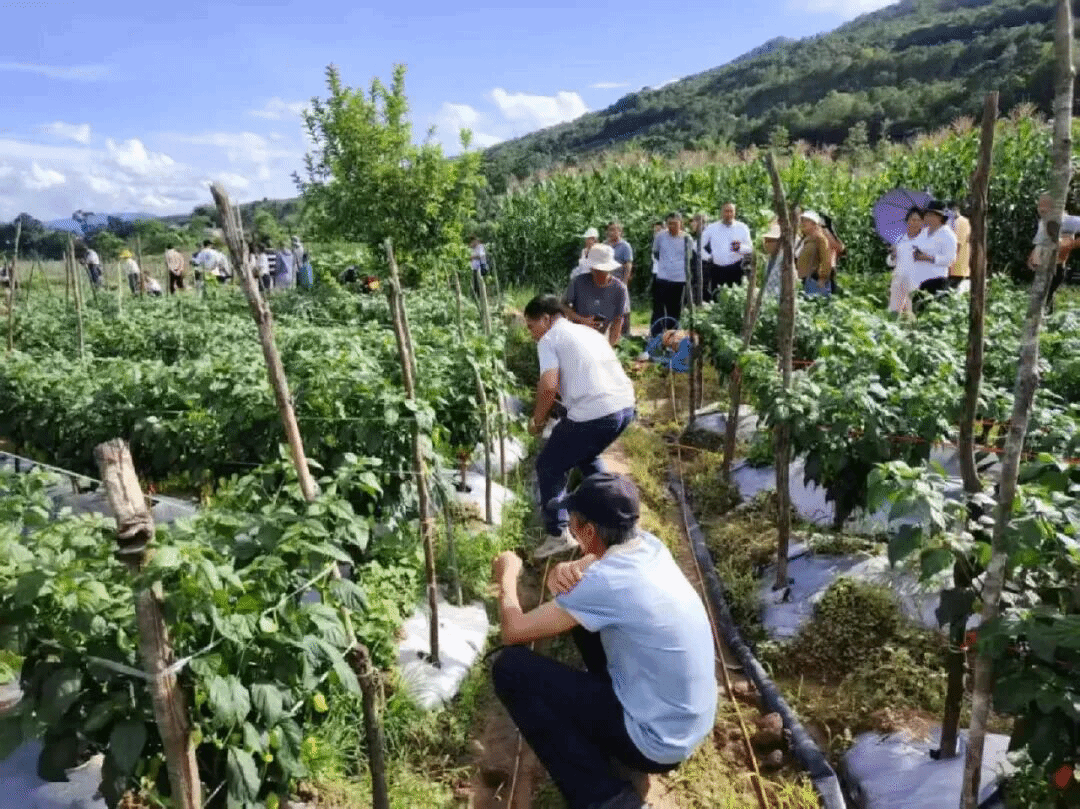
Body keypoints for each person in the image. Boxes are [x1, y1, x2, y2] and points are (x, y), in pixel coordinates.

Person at [490, 472, 717, 809]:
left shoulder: (607, 583)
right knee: (580, 611)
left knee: (510, 669)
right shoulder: (649, 546)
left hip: (656, 742)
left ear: (590, 531)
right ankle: (604, 709)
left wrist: (507, 576)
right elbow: (587, 570)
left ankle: (605, 798)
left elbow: (514, 631)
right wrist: (561, 572)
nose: (570, 526)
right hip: (682, 724)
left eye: (573, 520)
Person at [523, 295, 636, 558]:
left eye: (531, 326)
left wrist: (537, 422)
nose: (531, 334)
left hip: (596, 412)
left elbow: (548, 386)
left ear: (546, 319)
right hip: (625, 407)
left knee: (549, 465)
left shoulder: (550, 339)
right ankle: (615, 520)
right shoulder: (588, 332)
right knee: (587, 456)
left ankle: (558, 534)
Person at [564, 244, 630, 348]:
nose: (598, 273)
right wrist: (583, 320)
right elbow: (563, 307)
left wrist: (610, 347)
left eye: (602, 270)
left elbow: (618, 321)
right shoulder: (578, 282)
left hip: (600, 337)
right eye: (596, 269)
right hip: (576, 335)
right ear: (591, 268)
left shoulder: (619, 289)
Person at [1027, 191, 1080, 314]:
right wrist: (1032, 258)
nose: (1040, 208)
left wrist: (1070, 245)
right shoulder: (1044, 221)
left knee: (1044, 302)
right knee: (1041, 302)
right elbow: (1039, 243)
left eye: (1045, 204)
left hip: (1055, 267)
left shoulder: (1067, 221)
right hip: (1040, 268)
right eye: (1039, 204)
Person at [909, 200, 957, 312]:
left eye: (930, 215)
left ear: (939, 217)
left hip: (936, 280)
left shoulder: (948, 235)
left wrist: (928, 258)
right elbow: (915, 245)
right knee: (917, 311)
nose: (927, 217)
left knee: (929, 311)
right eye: (926, 214)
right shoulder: (923, 232)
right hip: (918, 280)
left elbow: (950, 259)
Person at [650, 213, 691, 336]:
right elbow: (656, 252)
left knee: (675, 310)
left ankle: (672, 337)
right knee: (659, 309)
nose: (672, 226)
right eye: (669, 224)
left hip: (679, 279)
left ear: (681, 223)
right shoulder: (660, 236)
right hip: (663, 277)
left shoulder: (687, 238)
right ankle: (656, 336)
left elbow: (690, 257)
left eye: (675, 223)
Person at [701, 202, 752, 297]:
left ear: (735, 212)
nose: (729, 214)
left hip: (736, 268)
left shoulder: (742, 227)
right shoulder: (712, 228)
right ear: (721, 213)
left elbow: (750, 248)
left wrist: (740, 248)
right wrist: (708, 257)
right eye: (726, 211)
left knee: (735, 297)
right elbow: (698, 246)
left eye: (731, 211)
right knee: (717, 297)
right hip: (717, 269)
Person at [886, 207, 925, 315]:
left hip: (916, 282)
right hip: (899, 279)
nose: (916, 223)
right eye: (913, 220)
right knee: (894, 312)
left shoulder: (925, 241)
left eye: (919, 220)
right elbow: (890, 263)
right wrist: (893, 255)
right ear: (907, 221)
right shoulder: (899, 239)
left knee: (911, 313)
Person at [606, 222, 634, 338]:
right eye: (610, 230)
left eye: (614, 230)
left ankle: (625, 333)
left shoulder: (625, 246)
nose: (612, 232)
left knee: (623, 307)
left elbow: (628, 265)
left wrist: (624, 282)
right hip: (606, 281)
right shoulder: (605, 245)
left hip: (619, 280)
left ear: (620, 231)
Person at [794, 211, 833, 296]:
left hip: (814, 280)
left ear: (814, 224)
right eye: (802, 220)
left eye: (806, 220)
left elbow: (826, 259)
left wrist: (822, 278)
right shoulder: (804, 239)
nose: (803, 223)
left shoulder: (820, 238)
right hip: (802, 280)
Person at [947, 200, 970, 290]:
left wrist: (950, 263)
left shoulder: (962, 222)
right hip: (952, 269)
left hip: (958, 267)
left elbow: (958, 245)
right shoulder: (951, 222)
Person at [760, 221, 786, 297]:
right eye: (766, 240)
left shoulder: (784, 260)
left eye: (770, 241)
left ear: (779, 242)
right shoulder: (769, 259)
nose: (766, 244)